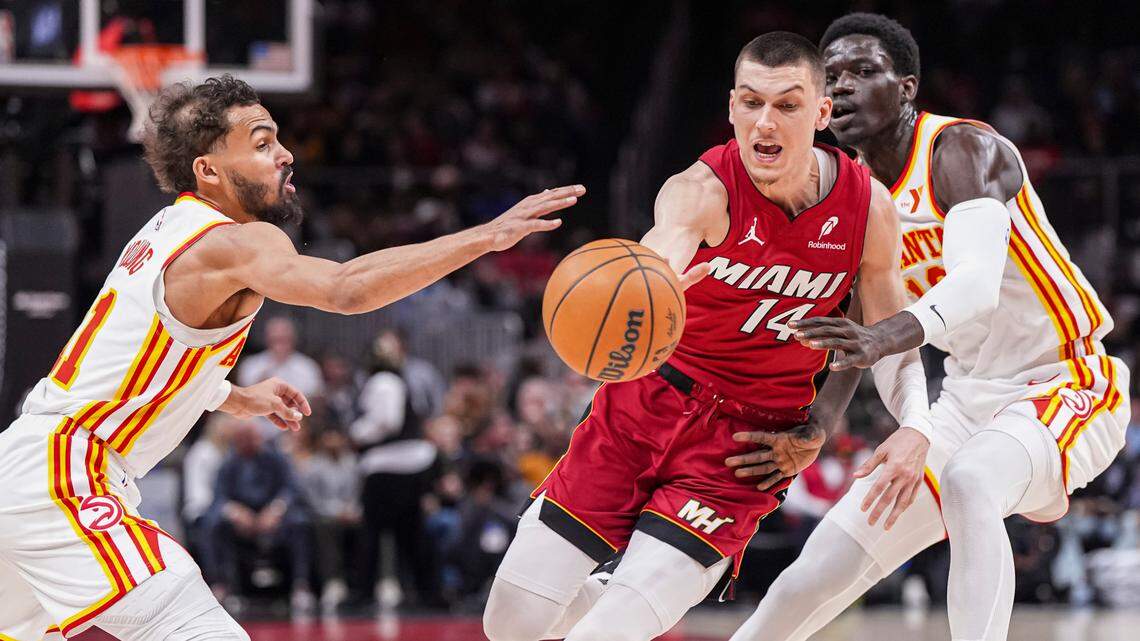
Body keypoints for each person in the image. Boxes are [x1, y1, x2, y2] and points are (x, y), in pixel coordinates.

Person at [0, 74, 582, 640]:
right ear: (208, 171)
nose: (285, 155)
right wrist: (484, 237)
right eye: (261, 143)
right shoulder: (237, 240)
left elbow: (128, 362)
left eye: (277, 138)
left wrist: (234, 395)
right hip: (67, 471)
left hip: (29, 461)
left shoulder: (165, 229)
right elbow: (347, 287)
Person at [483, 32, 933, 641]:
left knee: (609, 635)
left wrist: (914, 426)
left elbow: (883, 335)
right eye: (750, 102)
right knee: (509, 623)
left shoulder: (867, 208)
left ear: (823, 112)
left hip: (746, 446)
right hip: (642, 408)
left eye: (788, 105)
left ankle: (630, 600)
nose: (765, 122)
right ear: (730, 108)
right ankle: (616, 593)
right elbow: (659, 253)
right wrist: (652, 282)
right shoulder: (700, 190)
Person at [727, 14, 1130, 641]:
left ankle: (1027, 483)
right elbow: (856, 325)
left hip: (1066, 378)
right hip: (967, 399)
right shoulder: (849, 200)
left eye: (865, 71)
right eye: (833, 77)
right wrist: (819, 425)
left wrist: (882, 337)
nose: (848, 87)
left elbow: (970, 287)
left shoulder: (964, 149)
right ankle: (1029, 487)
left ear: (907, 87)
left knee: (971, 481)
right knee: (815, 573)